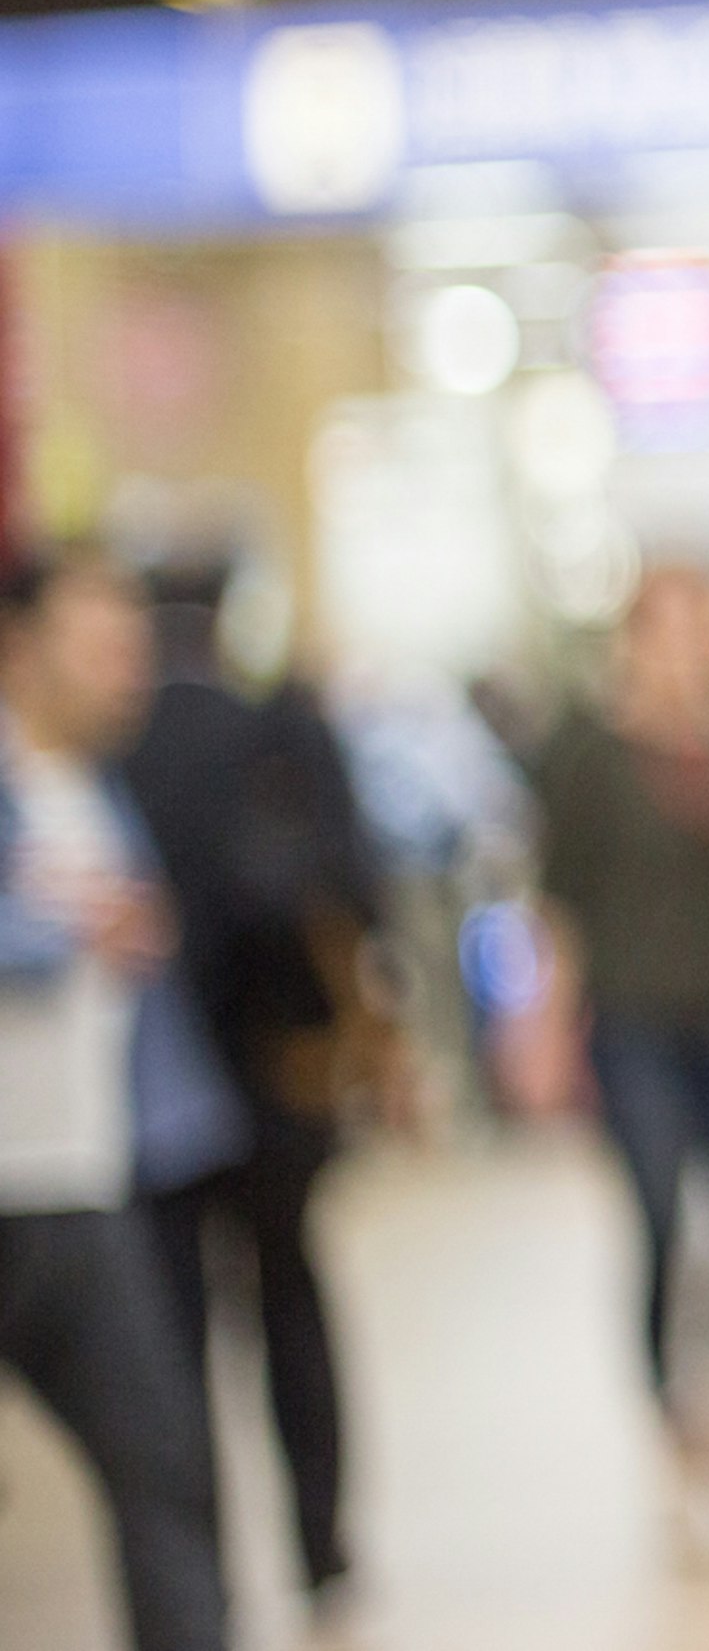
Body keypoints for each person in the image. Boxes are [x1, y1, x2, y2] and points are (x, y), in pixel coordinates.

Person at [125, 564, 392, 1613]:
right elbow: (354, 883)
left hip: (155, 1085)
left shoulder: (119, 748)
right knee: (290, 1303)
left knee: (173, 1335)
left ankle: (202, 1573)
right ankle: (319, 1538)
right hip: (277, 1064)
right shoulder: (276, 727)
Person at [533, 563, 709, 1506]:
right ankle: (672, 1412)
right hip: (633, 1015)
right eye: (674, 629)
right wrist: (536, 1027)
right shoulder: (587, 749)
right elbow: (556, 900)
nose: (693, 650)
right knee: (660, 1213)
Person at [0, 548, 241, 1651]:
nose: (126, 673)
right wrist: (57, 939)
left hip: (82, 1186)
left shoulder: (102, 797)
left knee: (165, 1472)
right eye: (99, 646)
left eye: (132, 648)